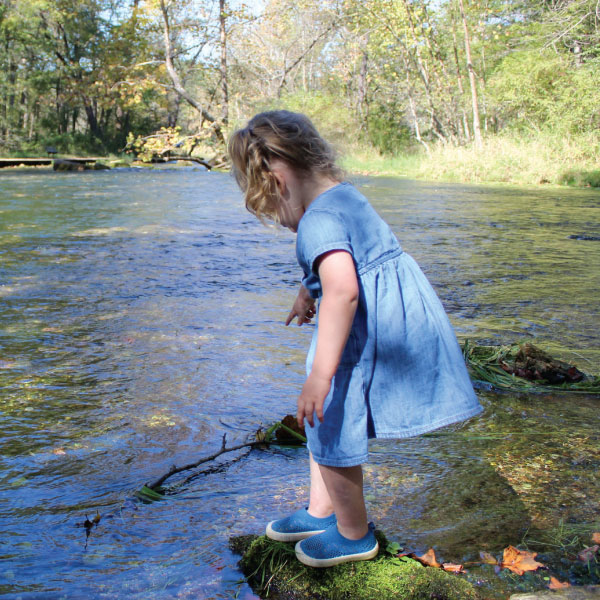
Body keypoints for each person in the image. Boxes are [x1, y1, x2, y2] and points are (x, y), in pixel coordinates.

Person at [228, 110, 483, 568]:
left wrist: (321, 375)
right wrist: (308, 288)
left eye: (271, 208)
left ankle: (353, 535)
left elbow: (343, 289)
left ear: (277, 178)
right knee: (321, 424)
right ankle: (320, 511)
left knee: (330, 418)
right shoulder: (343, 197)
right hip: (381, 318)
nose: (283, 222)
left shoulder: (316, 223)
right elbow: (341, 265)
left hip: (358, 331)